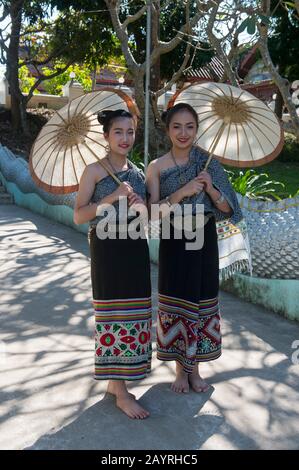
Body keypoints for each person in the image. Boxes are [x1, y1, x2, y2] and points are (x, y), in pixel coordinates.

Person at [146, 103, 243, 394]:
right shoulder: (156, 167)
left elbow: (230, 210)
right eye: (177, 126)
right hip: (174, 238)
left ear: (197, 129)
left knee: (201, 301)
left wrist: (210, 188)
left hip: (204, 239)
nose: (183, 133)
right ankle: (179, 370)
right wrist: (181, 192)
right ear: (168, 130)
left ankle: (196, 369)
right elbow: (151, 213)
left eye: (190, 126)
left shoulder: (208, 163)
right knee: (177, 300)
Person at [74, 109, 152, 419]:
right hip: (107, 251)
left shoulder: (137, 173)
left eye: (130, 132)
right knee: (113, 315)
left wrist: (140, 204)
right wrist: (112, 197)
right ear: (106, 136)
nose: (125, 138)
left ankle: (114, 382)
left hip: (135, 248)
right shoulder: (93, 171)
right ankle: (120, 392)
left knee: (135, 314)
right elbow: (79, 215)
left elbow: (146, 220)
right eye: (118, 132)